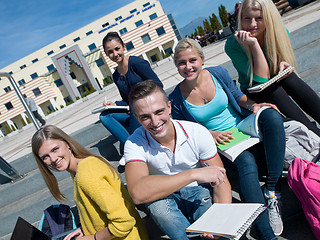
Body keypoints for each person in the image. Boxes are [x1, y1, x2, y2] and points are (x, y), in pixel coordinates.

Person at [169, 38, 285, 239]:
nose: (188, 66)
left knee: (271, 115)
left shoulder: (217, 73)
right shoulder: (176, 98)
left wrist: (253, 106)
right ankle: (266, 234)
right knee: (246, 161)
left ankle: (271, 189)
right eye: (182, 63)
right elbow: (185, 131)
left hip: (241, 126)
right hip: (219, 144)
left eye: (192, 60)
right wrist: (209, 135)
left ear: (202, 60)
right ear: (177, 66)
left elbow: (237, 95)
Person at [124, 80, 232, 239]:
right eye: (145, 117)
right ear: (137, 118)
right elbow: (138, 193)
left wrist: (218, 225)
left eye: (159, 112)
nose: (155, 122)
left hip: (198, 192)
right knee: (159, 207)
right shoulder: (134, 143)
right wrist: (192, 174)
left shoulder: (196, 133)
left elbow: (221, 182)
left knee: (211, 221)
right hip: (163, 195)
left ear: (169, 107)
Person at [31, 125, 148, 240]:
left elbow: (124, 221)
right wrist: (86, 229)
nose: (53, 159)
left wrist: (93, 237)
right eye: (45, 156)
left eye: (55, 149)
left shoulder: (87, 173)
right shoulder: (78, 170)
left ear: (67, 144)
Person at [224, 0, 320, 136]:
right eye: (247, 18)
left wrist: (284, 63)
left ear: (269, 18)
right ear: (240, 19)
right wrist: (253, 45)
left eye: (259, 18)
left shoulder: (278, 32)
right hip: (255, 89)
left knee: (290, 78)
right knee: (273, 89)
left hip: (277, 80)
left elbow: (282, 60)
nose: (252, 24)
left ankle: (314, 130)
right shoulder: (233, 45)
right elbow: (261, 79)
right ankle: (315, 134)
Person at [100, 32, 163, 148]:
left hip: (148, 107)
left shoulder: (137, 63)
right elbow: (126, 100)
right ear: (107, 54)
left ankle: (133, 146)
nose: (115, 54)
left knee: (133, 102)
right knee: (104, 116)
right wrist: (114, 104)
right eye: (110, 52)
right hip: (133, 111)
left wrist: (137, 101)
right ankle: (131, 145)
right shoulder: (116, 76)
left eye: (117, 49)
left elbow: (158, 85)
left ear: (123, 46)